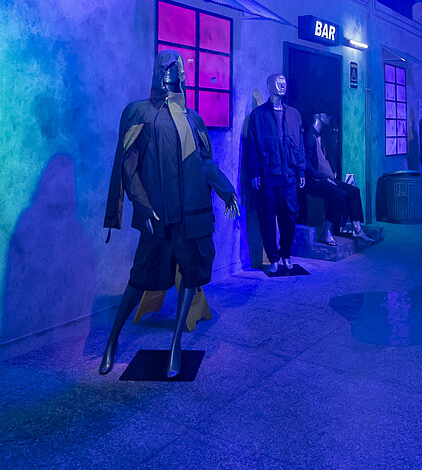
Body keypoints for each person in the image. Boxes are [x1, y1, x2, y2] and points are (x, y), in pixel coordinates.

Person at [101, 50, 238, 378]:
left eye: (176, 66)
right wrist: (142, 204)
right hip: (159, 213)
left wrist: (226, 190)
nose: (171, 70)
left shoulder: (193, 118)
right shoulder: (139, 112)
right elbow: (129, 165)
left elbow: (205, 162)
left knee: (190, 273)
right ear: (155, 70)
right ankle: (112, 340)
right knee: (141, 276)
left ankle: (176, 343)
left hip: (192, 213)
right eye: (164, 65)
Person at [243, 74, 306, 274]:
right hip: (268, 176)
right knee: (268, 217)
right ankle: (273, 258)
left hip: (289, 177)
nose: (282, 86)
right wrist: (254, 172)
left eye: (284, 83)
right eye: (278, 83)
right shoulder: (258, 115)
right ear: (269, 86)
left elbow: (300, 146)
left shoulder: (294, 114)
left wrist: (301, 170)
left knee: (290, 217)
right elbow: (252, 146)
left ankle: (286, 253)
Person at [303, 107, 373, 243]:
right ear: (318, 115)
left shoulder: (322, 135)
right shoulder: (309, 136)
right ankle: (326, 231)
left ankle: (357, 229)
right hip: (313, 181)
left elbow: (325, 158)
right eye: (327, 114)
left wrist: (332, 171)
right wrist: (323, 177)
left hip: (325, 178)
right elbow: (306, 165)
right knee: (340, 194)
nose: (329, 117)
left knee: (354, 191)